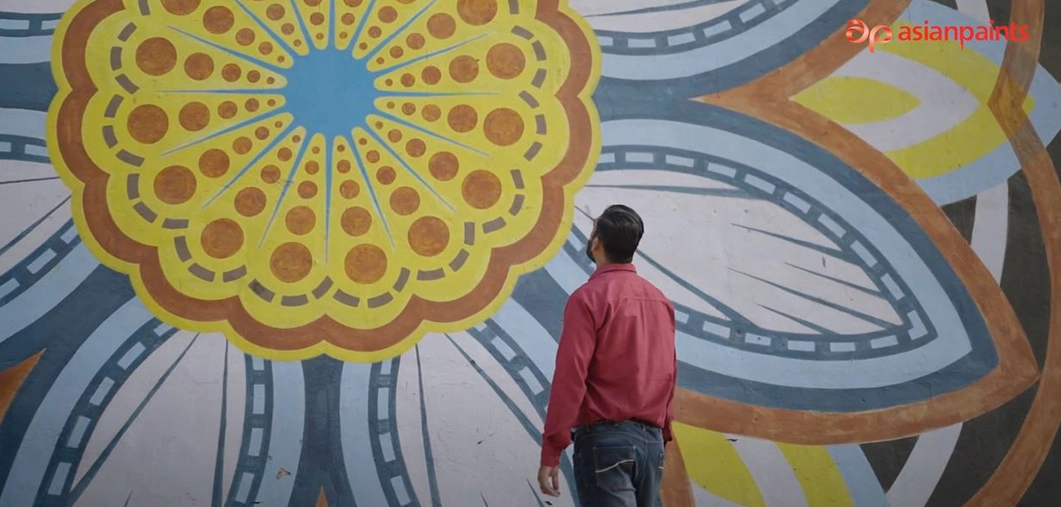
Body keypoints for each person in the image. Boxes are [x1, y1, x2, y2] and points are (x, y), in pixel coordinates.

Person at [537, 204, 678, 507]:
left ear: (597, 241)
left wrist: (552, 447)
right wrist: (662, 430)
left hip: (604, 443)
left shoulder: (587, 299)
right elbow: (668, 371)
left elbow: (570, 377)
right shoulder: (660, 300)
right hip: (651, 443)